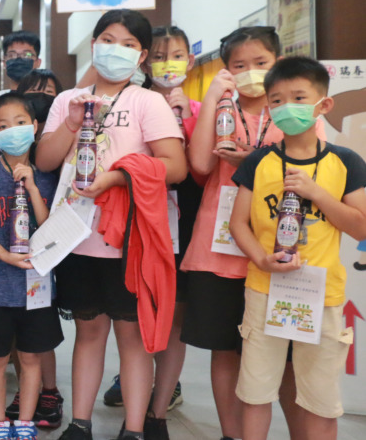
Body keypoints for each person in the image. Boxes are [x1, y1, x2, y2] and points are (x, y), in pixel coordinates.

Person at [35, 9, 186, 440]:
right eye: (107, 39)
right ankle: (80, 424)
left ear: (141, 57)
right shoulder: (69, 99)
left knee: (132, 338)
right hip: (78, 236)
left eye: (128, 44)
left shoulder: (146, 101)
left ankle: (134, 429)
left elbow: (174, 166)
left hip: (133, 239)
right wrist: (70, 122)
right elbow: (45, 161)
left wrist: (120, 177)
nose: (115, 49)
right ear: (93, 45)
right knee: (88, 333)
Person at [182, 26, 323, 440]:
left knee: (288, 357)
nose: (250, 72)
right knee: (225, 349)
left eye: (261, 62)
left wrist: (252, 162)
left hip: (281, 246)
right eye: (239, 65)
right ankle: (231, 434)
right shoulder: (221, 108)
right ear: (226, 69)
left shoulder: (294, 110)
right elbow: (200, 165)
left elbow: (314, 168)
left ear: (278, 61)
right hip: (218, 248)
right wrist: (212, 98)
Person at [229, 56, 366, 440]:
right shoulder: (259, 162)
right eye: (277, 100)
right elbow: (237, 224)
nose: (287, 106)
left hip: (321, 295)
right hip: (264, 290)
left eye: (299, 97)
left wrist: (316, 193)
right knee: (255, 392)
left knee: (320, 399)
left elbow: (361, 226)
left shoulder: (346, 161)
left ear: (324, 104)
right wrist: (262, 259)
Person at [100, 25, 202, 437]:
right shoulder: (130, 101)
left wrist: (188, 117)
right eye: (158, 56)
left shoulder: (200, 108)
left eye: (175, 56)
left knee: (174, 314)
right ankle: (134, 383)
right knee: (134, 312)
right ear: (144, 61)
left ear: (190, 60)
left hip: (185, 219)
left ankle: (158, 408)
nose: (167, 64)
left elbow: (199, 167)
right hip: (138, 219)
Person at [0, 93, 63, 440]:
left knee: (32, 358)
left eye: (20, 123)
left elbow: (49, 228)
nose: (13, 130)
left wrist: (32, 187)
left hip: (36, 287)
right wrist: (4, 256)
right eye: (3, 126)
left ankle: (24, 423)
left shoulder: (47, 175)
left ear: (34, 126)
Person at [0, 31, 42, 159]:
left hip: (35, 169)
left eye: (27, 54)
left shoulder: (46, 100)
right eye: (12, 55)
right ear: (4, 62)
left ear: (38, 62)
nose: (19, 59)